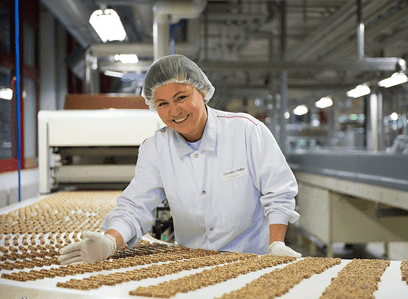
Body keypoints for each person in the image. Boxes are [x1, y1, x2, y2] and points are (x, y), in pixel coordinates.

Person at [58, 54, 301, 265]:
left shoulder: (247, 131)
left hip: (252, 259)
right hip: (192, 264)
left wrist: (276, 244)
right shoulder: (156, 149)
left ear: (202, 91)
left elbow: (278, 192)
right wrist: (110, 241)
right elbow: (136, 206)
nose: (174, 111)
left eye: (181, 97)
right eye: (163, 104)